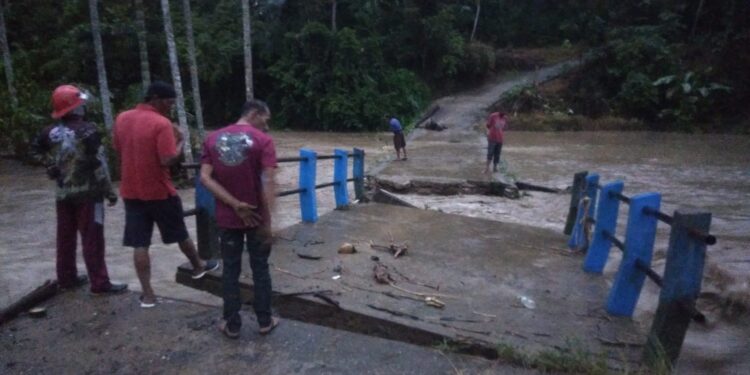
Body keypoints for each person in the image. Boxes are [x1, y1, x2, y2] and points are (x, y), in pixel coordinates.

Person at [113, 81, 218, 308]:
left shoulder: (122, 118)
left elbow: (118, 148)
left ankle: (148, 295)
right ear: (157, 99)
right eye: (169, 103)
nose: (170, 108)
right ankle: (198, 266)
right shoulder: (162, 124)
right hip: (159, 191)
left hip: (131, 191)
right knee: (179, 232)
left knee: (139, 243)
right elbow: (168, 159)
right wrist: (180, 141)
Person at [32, 84, 128, 295]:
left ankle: (66, 279)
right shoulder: (88, 130)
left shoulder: (48, 132)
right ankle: (100, 283)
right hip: (89, 194)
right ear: (75, 108)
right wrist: (110, 192)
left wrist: (50, 167)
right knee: (92, 238)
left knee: (65, 238)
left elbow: (35, 152)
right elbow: (99, 164)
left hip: (62, 193)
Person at [199, 100, 279, 339]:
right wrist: (268, 221)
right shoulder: (264, 141)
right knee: (260, 269)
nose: (267, 124)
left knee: (230, 270)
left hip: (227, 218)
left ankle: (232, 325)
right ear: (254, 114)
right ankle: (265, 321)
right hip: (257, 218)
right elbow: (269, 182)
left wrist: (235, 205)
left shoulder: (212, 139)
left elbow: (205, 178)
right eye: (266, 118)